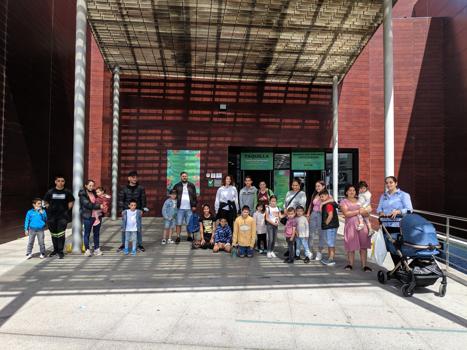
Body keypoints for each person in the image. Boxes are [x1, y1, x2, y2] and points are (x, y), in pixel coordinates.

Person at [376, 176, 413, 265]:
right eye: (387, 183)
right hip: (386, 226)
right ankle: (398, 270)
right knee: (391, 249)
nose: (388, 185)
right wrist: (381, 213)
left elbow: (409, 209)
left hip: (398, 226)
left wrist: (399, 211)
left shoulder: (404, 195)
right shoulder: (383, 196)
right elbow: (378, 209)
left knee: (399, 249)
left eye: (391, 182)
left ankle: (404, 269)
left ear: (396, 183)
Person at [341, 184, 372, 271]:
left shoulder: (361, 200)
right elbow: (346, 214)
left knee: (363, 246)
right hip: (350, 226)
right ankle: (350, 264)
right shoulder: (344, 201)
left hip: (362, 226)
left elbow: (367, 213)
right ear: (346, 192)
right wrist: (359, 211)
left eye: (354, 190)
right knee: (351, 245)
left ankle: (364, 266)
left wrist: (364, 211)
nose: (352, 192)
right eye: (350, 190)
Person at [43, 175, 75, 259]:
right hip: (52, 217)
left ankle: (60, 251)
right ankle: (55, 250)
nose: (60, 182)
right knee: (54, 234)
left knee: (61, 233)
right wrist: (49, 208)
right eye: (59, 181)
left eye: (62, 181)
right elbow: (45, 201)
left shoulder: (67, 192)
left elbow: (71, 201)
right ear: (55, 182)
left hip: (63, 217)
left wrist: (66, 210)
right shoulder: (50, 192)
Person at [118, 171, 148, 252]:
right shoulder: (124, 188)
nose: (135, 179)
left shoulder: (141, 188)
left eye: (136, 177)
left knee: (138, 228)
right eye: (133, 177)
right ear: (129, 178)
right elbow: (121, 200)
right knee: (125, 228)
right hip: (126, 212)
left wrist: (142, 210)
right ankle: (124, 244)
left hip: (137, 211)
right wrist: (122, 210)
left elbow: (143, 199)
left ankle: (140, 244)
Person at [306, 180, 332, 261]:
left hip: (321, 215)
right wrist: (308, 214)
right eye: (316, 186)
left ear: (323, 186)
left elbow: (332, 200)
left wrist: (322, 203)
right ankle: (309, 252)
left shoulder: (327, 195)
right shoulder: (315, 194)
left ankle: (319, 252)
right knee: (311, 234)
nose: (317, 188)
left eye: (319, 186)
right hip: (313, 214)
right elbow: (311, 204)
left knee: (321, 234)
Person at [79, 180, 104, 257]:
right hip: (88, 216)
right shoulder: (82, 194)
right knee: (87, 234)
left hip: (97, 216)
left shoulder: (95, 193)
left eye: (93, 185)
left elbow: (101, 199)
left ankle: (97, 249)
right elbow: (87, 204)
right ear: (86, 185)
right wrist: (99, 206)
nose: (91, 187)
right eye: (90, 185)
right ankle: (87, 250)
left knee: (96, 233)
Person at [283, 179, 307, 258]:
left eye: (296, 185)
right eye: (293, 185)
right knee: (289, 233)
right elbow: (285, 203)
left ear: (299, 185)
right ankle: (290, 249)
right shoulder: (288, 193)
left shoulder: (302, 193)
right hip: (289, 217)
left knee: (296, 234)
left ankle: (297, 252)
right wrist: (285, 209)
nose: (295, 187)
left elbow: (302, 205)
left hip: (296, 217)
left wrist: (295, 214)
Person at [173, 172, 198, 243]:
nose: (184, 177)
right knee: (178, 223)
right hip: (179, 208)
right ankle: (178, 236)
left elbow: (194, 197)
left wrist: (194, 205)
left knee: (189, 223)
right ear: (180, 177)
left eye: (185, 176)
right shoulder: (176, 186)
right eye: (183, 176)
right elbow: (173, 196)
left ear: (187, 177)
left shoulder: (191, 185)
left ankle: (189, 236)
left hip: (189, 208)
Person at [319, 189, 339, 266]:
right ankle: (330, 257)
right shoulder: (328, 204)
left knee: (331, 243)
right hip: (331, 226)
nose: (321, 198)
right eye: (320, 197)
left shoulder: (328, 205)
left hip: (330, 227)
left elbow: (330, 215)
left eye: (322, 196)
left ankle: (331, 259)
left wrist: (326, 223)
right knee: (330, 243)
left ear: (327, 196)